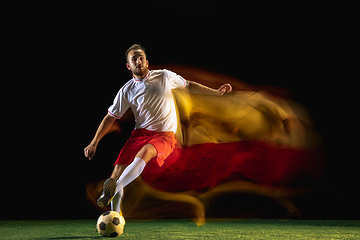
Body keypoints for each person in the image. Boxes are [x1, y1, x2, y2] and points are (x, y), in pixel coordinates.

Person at [84, 44, 232, 214]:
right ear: (128, 66)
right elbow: (111, 117)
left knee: (145, 153)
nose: (138, 61)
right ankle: (115, 215)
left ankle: (114, 188)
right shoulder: (126, 90)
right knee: (116, 173)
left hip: (164, 136)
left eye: (141, 58)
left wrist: (215, 92)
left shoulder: (164, 76)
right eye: (134, 59)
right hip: (139, 134)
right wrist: (94, 142)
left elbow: (188, 85)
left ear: (147, 61)